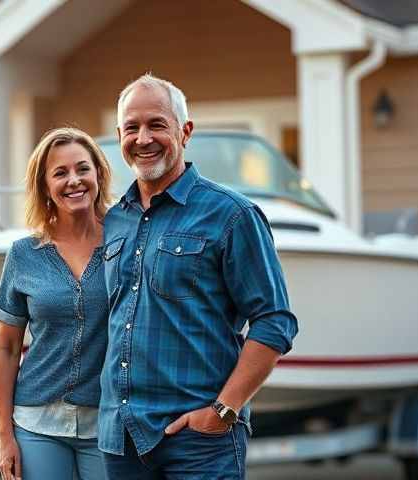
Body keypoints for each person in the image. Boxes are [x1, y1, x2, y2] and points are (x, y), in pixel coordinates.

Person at [99, 73, 299, 479]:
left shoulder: (231, 214)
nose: (143, 138)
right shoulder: (113, 220)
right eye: (132, 127)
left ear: (185, 131)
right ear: (119, 135)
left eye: (157, 124)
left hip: (200, 442)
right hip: (122, 441)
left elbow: (274, 321)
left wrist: (223, 411)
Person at [0, 127, 113, 480]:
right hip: (36, 423)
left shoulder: (125, 240)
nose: (74, 180)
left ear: (98, 174)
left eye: (82, 169)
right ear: (45, 186)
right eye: (60, 173)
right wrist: (4, 437)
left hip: (106, 423)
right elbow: (7, 347)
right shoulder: (24, 254)